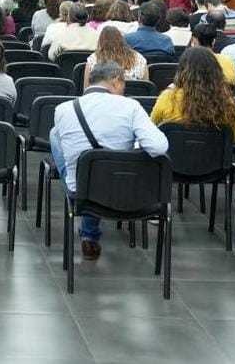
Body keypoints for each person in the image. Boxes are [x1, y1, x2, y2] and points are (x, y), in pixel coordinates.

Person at [50, 60, 168, 259]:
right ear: (114, 81)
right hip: (123, 186)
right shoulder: (131, 107)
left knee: (56, 135)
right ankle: (90, 233)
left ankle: (89, 232)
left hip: (80, 189)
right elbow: (159, 147)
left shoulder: (63, 109)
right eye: (123, 84)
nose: (124, 89)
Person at [151, 47, 235, 141]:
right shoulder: (227, 103)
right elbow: (234, 137)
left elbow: (152, 129)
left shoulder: (167, 98)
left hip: (174, 155)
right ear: (216, 71)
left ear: (181, 71)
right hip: (212, 155)